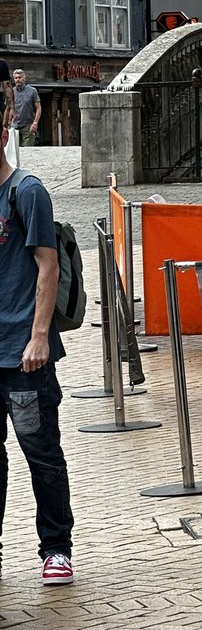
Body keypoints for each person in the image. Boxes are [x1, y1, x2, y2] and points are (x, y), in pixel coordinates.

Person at [0, 125, 74, 584]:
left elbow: (48, 264)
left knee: (42, 455)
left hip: (23, 357)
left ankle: (56, 548)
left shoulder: (26, 193)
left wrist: (40, 336)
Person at [12, 70, 41, 146]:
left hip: (28, 125)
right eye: (16, 78)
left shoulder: (32, 91)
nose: (18, 79)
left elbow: (38, 108)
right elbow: (8, 108)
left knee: (27, 150)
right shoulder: (12, 92)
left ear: (24, 78)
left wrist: (35, 123)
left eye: (20, 77)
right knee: (14, 152)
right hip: (14, 126)